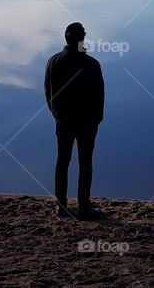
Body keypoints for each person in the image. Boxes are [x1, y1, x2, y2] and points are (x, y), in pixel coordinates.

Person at [44, 22, 105, 219]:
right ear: (82, 38)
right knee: (85, 163)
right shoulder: (92, 64)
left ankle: (61, 206)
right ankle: (84, 207)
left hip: (63, 122)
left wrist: (56, 115)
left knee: (62, 161)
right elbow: (99, 96)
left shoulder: (53, 61)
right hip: (86, 123)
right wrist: (96, 120)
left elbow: (49, 93)